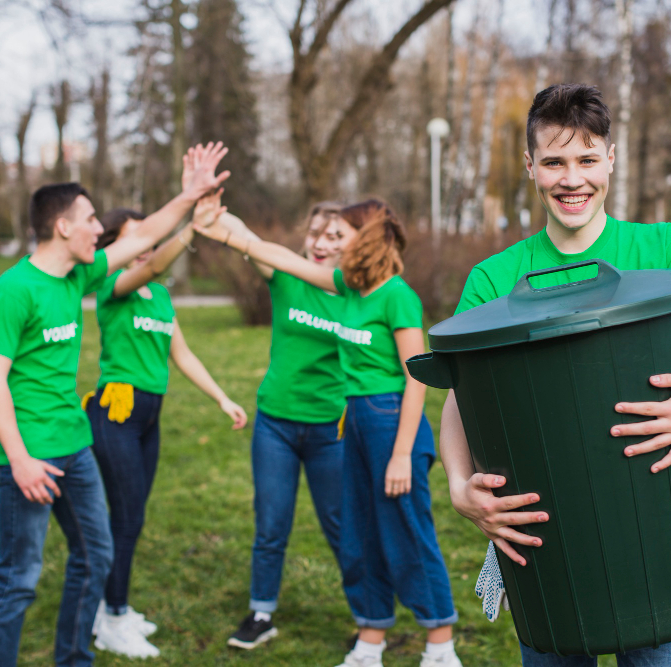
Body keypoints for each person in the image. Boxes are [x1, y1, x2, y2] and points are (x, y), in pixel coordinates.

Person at [439, 84, 671, 667]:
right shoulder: (495, 278)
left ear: (611, 159)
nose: (572, 179)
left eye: (587, 159)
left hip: (660, 522)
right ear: (531, 167)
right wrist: (461, 487)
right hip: (547, 539)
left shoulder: (665, 248)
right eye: (555, 162)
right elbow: (463, 396)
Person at [0, 142, 230, 667]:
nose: (100, 228)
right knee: (18, 578)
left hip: (76, 445)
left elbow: (148, 234)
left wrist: (189, 194)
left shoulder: (79, 275)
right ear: (63, 226)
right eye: (91, 219)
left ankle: (73, 658)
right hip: (30, 456)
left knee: (96, 555)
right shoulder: (13, 291)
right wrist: (19, 459)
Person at [196, 199, 463, 667]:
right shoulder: (349, 286)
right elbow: (283, 259)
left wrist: (402, 453)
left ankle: (440, 647)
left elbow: (416, 377)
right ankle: (369, 643)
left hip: (391, 421)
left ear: (368, 238)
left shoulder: (398, 295)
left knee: (406, 534)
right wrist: (226, 233)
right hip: (354, 420)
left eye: (343, 234)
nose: (332, 243)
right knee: (358, 537)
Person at [85, 192, 249, 659]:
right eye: (135, 236)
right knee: (126, 518)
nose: (145, 244)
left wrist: (221, 397)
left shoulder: (158, 296)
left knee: (131, 517)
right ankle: (112, 617)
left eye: (148, 235)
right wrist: (191, 228)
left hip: (148, 416)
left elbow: (182, 354)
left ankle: (109, 606)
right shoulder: (111, 284)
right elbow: (152, 266)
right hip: (115, 411)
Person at [208, 201, 359, 650]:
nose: (319, 243)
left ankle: (367, 617)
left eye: (333, 236)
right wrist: (212, 208)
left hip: (330, 430)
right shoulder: (286, 275)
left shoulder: (359, 296)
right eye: (314, 233)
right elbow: (247, 237)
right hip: (275, 425)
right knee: (271, 524)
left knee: (341, 526)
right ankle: (261, 612)